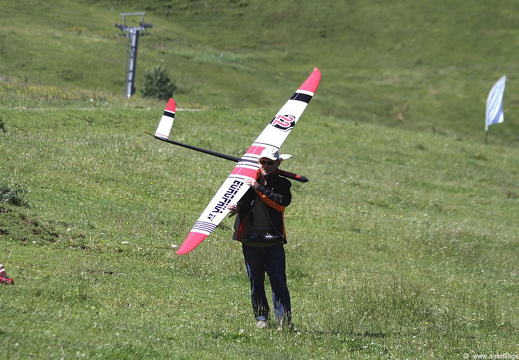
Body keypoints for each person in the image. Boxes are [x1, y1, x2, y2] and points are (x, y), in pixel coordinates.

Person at [228, 148, 293, 330]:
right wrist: (238, 208)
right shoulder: (248, 181)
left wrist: (257, 186)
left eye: (270, 163)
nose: (265, 166)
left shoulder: (282, 184)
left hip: (273, 243)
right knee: (256, 282)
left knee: (278, 282)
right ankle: (262, 318)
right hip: (251, 241)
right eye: (262, 162)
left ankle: (284, 322)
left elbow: (280, 203)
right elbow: (243, 201)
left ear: (278, 164)